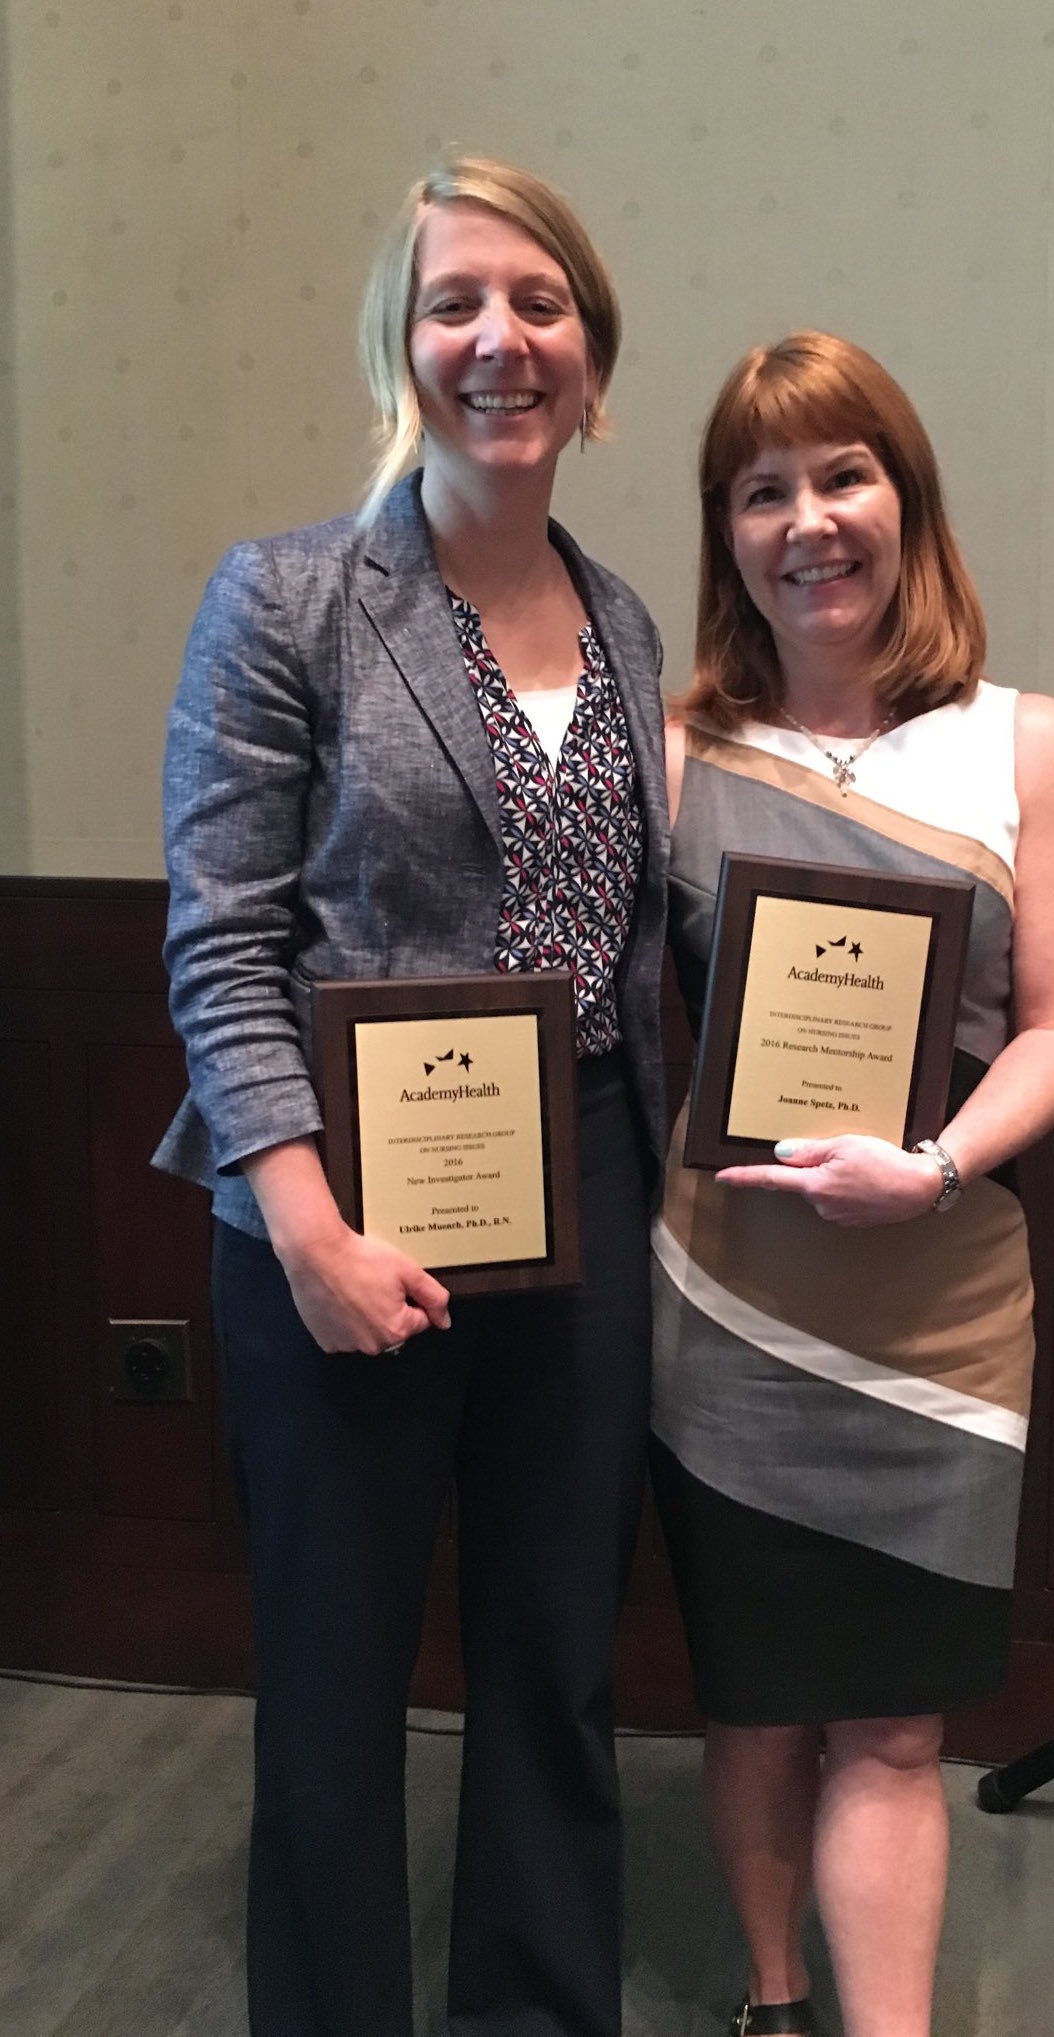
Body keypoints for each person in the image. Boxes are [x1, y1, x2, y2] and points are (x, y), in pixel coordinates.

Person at [153, 157, 668, 2037]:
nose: (498, 339)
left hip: (582, 1190)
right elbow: (221, 942)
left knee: (552, 1656)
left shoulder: (625, 625)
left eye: (538, 303)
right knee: (338, 1665)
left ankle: (535, 2006)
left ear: (592, 360)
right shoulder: (285, 598)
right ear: (403, 346)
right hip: (335, 1208)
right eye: (455, 302)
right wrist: (300, 1226)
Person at [650, 331, 1054, 2037]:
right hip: (726, 1308)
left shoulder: (1024, 744)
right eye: (762, 490)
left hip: (941, 1314)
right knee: (763, 1701)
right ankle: (774, 2000)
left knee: (897, 1723)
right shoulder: (682, 747)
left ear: (906, 503)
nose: (807, 520)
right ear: (728, 535)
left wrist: (933, 1162)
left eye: (842, 475)